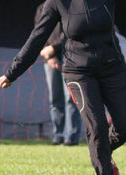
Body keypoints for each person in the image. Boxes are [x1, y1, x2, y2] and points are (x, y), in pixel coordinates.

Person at [0, 0, 126, 175]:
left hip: (113, 67)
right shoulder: (57, 3)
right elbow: (37, 37)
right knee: (97, 126)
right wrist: (11, 73)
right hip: (78, 71)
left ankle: (103, 152)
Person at [35, 3, 82, 146]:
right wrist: (49, 56)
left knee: (71, 98)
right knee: (55, 100)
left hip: (70, 56)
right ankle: (58, 135)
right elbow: (38, 33)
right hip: (49, 59)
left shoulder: (71, 6)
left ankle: (71, 137)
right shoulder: (41, 8)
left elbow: (72, 32)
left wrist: (53, 48)